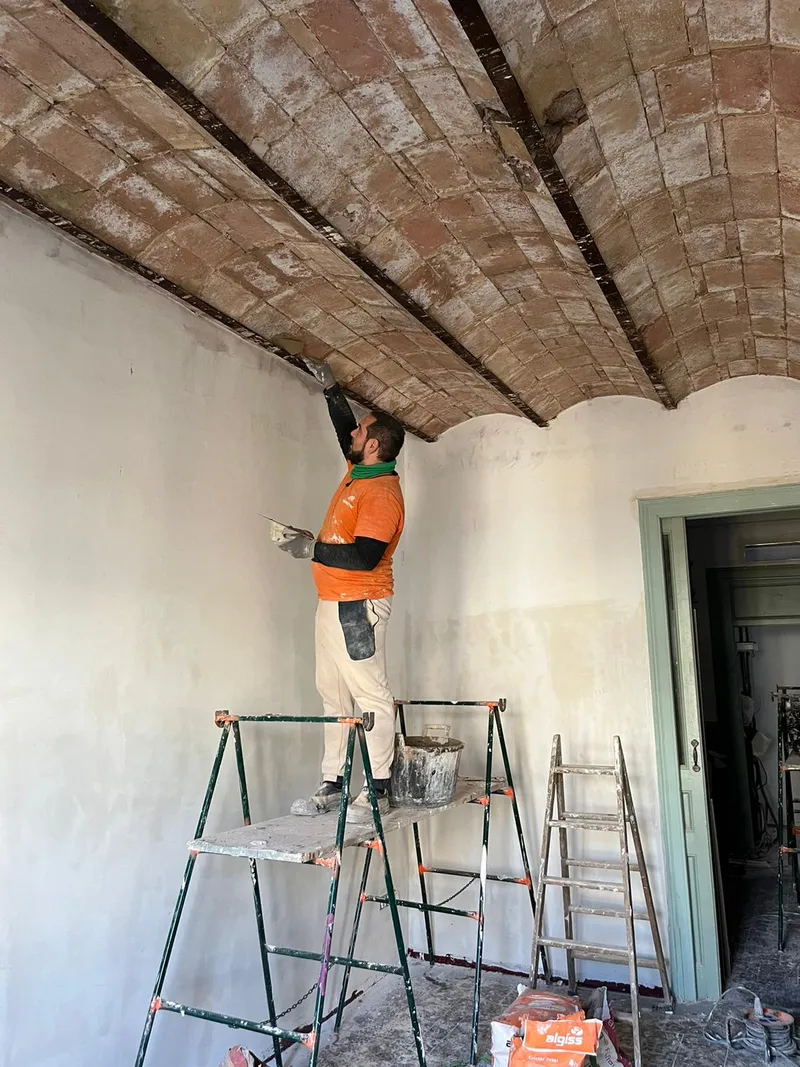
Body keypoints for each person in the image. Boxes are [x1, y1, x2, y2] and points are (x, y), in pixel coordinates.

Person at [272, 357, 405, 822]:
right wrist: (331, 390)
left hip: (357, 607)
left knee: (370, 695)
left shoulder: (381, 494)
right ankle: (334, 781)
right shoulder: (360, 471)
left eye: (361, 432)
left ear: (374, 445)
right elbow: (344, 432)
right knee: (332, 694)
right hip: (331, 603)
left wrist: (312, 549)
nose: (353, 434)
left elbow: (365, 557)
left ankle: (379, 787)